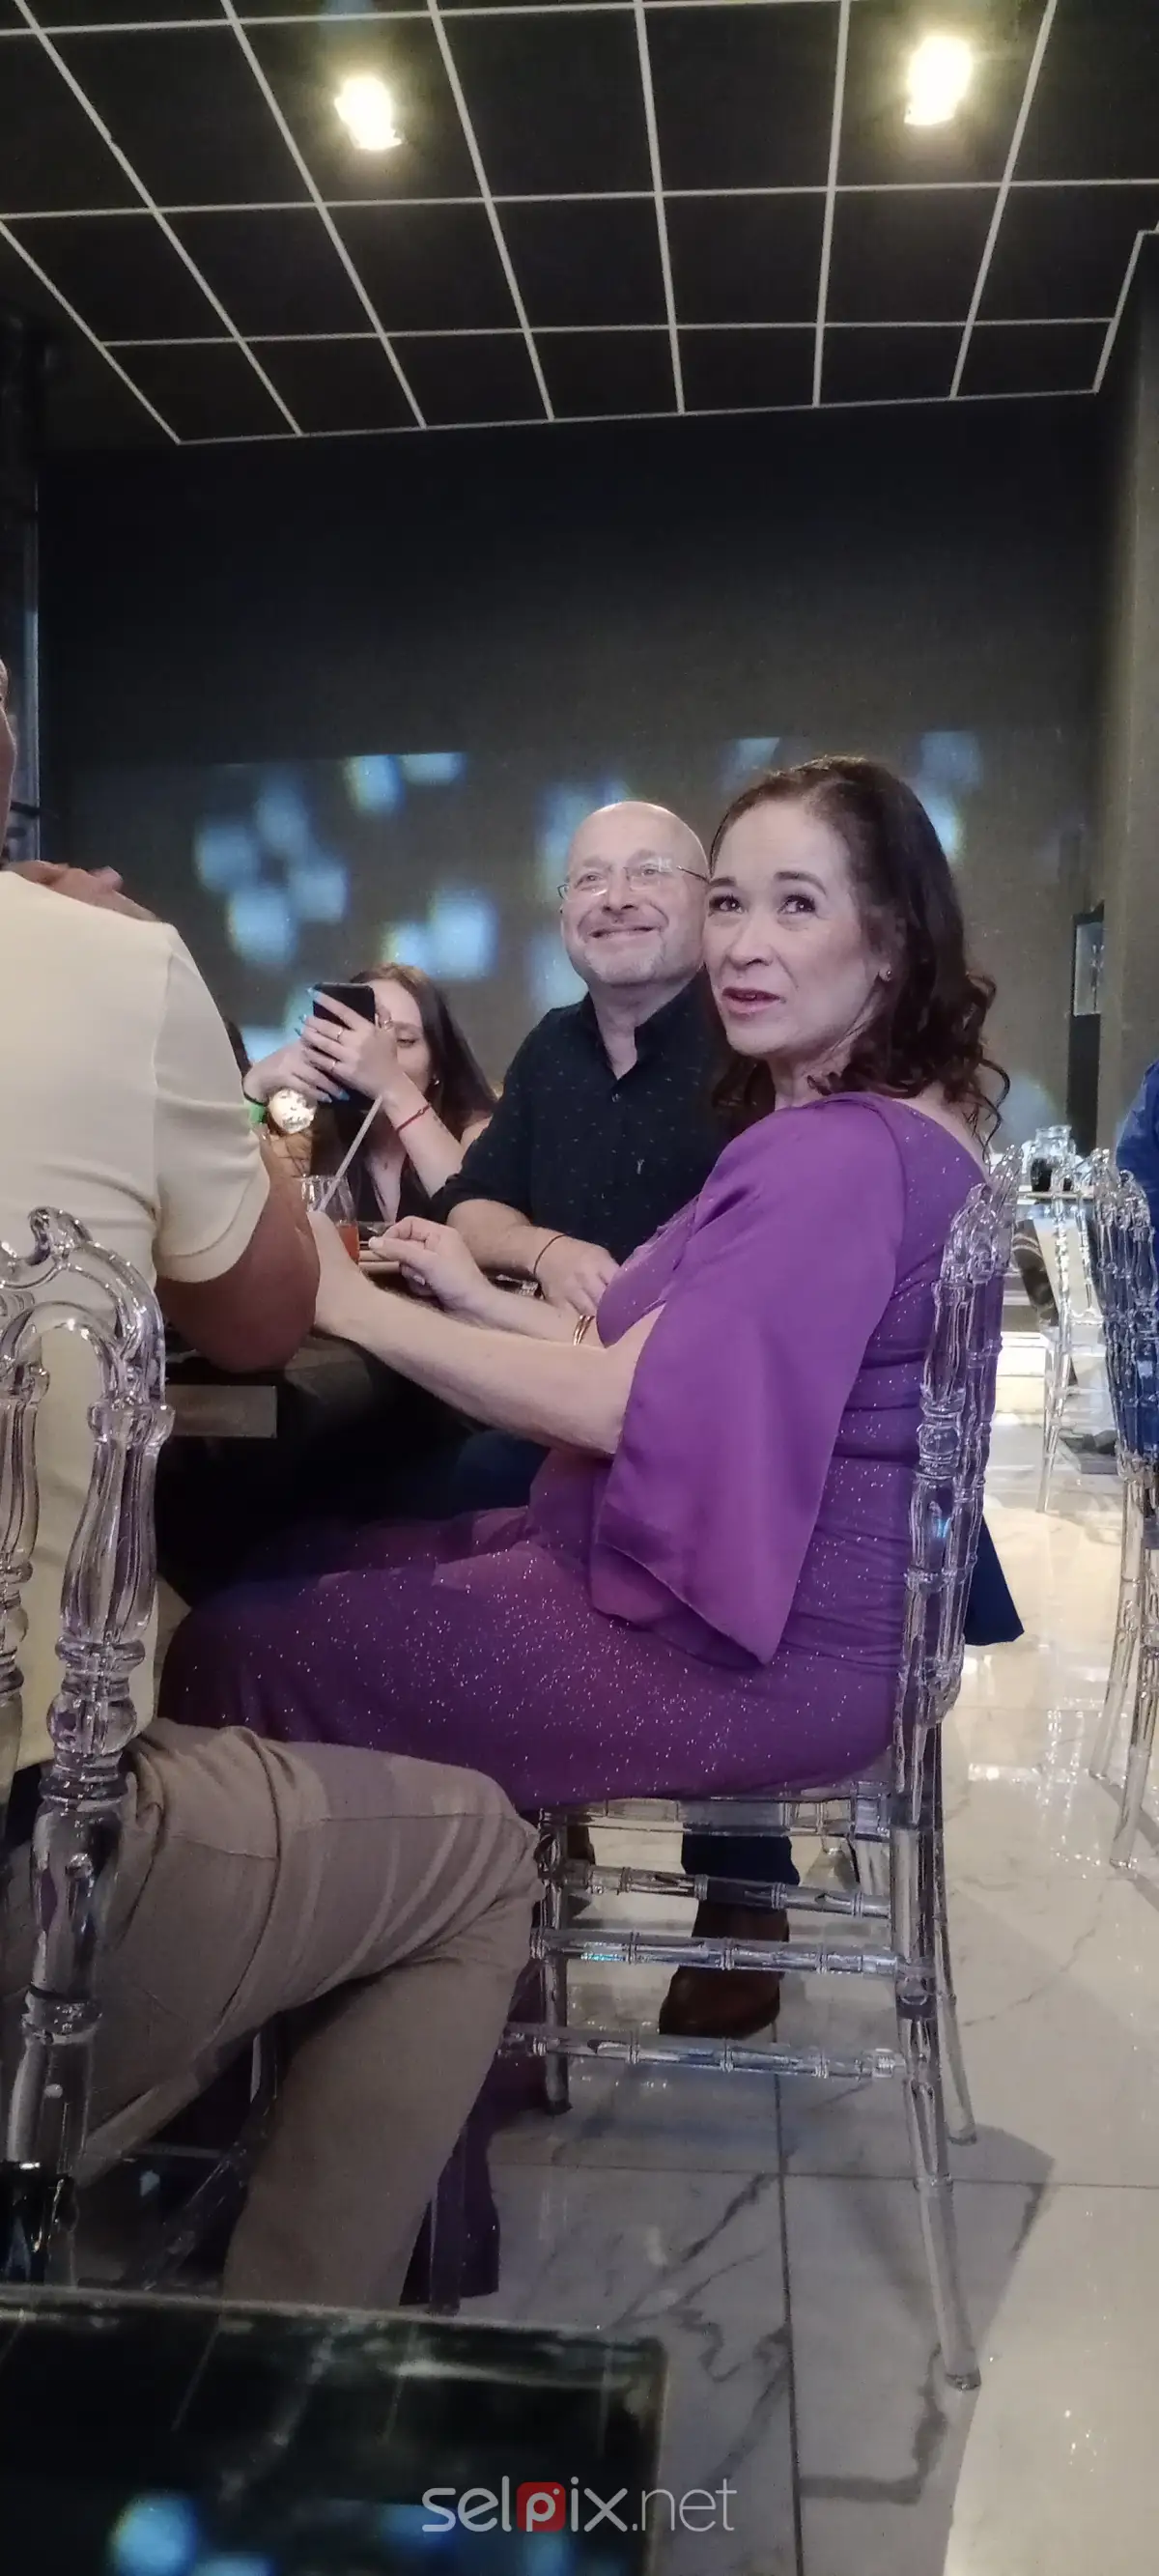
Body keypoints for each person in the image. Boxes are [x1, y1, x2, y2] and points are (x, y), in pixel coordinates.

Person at [160, 759, 1004, 1896]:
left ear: (891, 939)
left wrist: (349, 1302)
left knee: (233, 1643)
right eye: (732, 904)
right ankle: (477, 1935)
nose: (744, 945)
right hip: (733, 1603)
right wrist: (477, 1295)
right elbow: (639, 1353)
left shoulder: (838, 1157)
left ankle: (415, 1963)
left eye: (797, 905)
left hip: (741, 1651)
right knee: (296, 1562)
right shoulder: (883, 1128)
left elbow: (621, 1404)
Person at [0, 671, 537, 2311]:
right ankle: (267, 2389)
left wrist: (408, 1124)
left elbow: (484, 1216)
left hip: (504, 1453)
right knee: (458, 1849)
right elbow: (258, 1303)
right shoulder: (112, 975)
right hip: (34, 1876)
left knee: (243, 1597)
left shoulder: (490, 1103)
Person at [244, 963, 494, 1227]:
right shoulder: (307, 1145)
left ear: (437, 1062)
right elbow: (240, 1216)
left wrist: (392, 1083)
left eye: (404, 1040)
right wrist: (254, 1087)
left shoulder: (479, 1136)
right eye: (361, 1043)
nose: (372, 1057)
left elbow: (480, 1224)